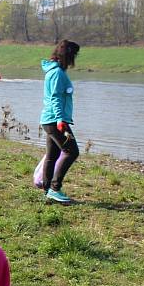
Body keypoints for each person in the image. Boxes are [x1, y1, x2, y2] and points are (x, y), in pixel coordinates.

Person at [40, 39, 81, 205]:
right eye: (74, 55)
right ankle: (55, 189)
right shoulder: (57, 73)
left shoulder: (54, 70)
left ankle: (47, 189)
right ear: (68, 55)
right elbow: (55, 98)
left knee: (53, 155)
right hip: (55, 120)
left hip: (50, 120)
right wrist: (60, 119)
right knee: (72, 151)